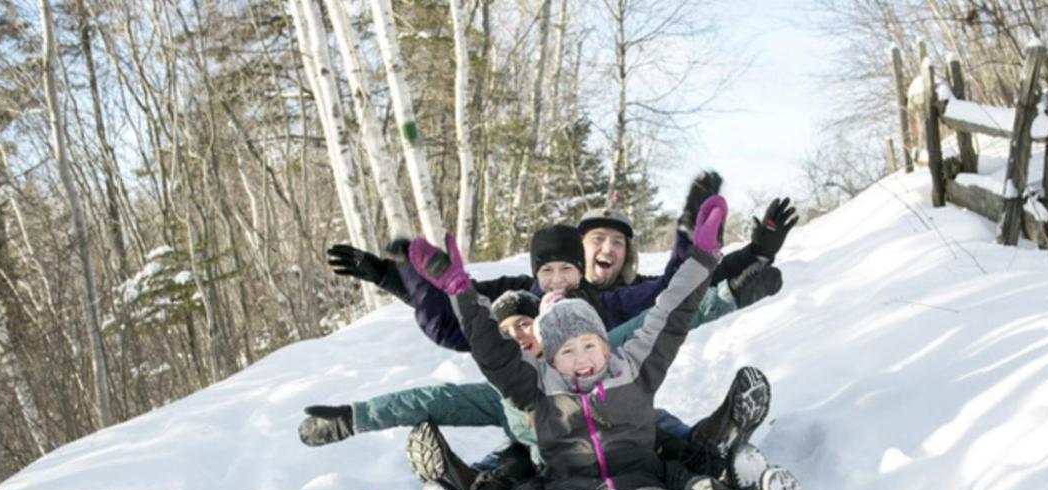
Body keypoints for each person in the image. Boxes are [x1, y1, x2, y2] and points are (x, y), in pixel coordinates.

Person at [410, 194, 799, 490]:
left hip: (638, 485)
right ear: (551, 357)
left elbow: (672, 314)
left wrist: (703, 257)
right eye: (567, 352)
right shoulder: (540, 388)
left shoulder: (633, 368)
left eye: (588, 345)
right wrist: (459, 290)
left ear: (605, 342)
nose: (581, 359)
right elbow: (493, 354)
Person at [325, 171, 798, 352]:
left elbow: (684, 286)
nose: (607, 249)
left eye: (617, 242)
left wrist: (755, 253)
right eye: (597, 239)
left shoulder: (623, 299)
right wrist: (389, 274)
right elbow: (459, 300)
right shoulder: (524, 294)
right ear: (579, 247)